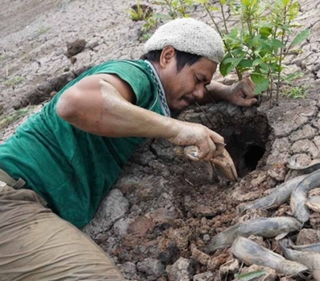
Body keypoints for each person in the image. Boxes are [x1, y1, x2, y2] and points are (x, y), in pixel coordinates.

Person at [0, 18, 257, 280]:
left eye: (205, 84)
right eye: (198, 80)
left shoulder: (155, 91)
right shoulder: (136, 74)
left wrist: (224, 92)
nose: (200, 93)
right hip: (10, 200)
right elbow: (74, 104)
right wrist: (178, 129)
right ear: (168, 56)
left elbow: (183, 91)